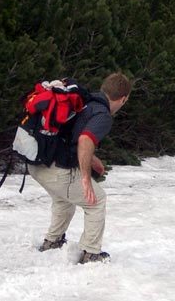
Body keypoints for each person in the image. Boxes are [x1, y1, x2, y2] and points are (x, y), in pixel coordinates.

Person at [28, 73, 132, 264]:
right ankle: (91, 253)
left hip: (37, 163)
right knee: (96, 200)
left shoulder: (84, 101)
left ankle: (53, 241)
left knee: (64, 198)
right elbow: (85, 140)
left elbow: (73, 138)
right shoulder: (102, 115)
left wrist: (93, 160)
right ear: (123, 99)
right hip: (56, 169)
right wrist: (85, 178)